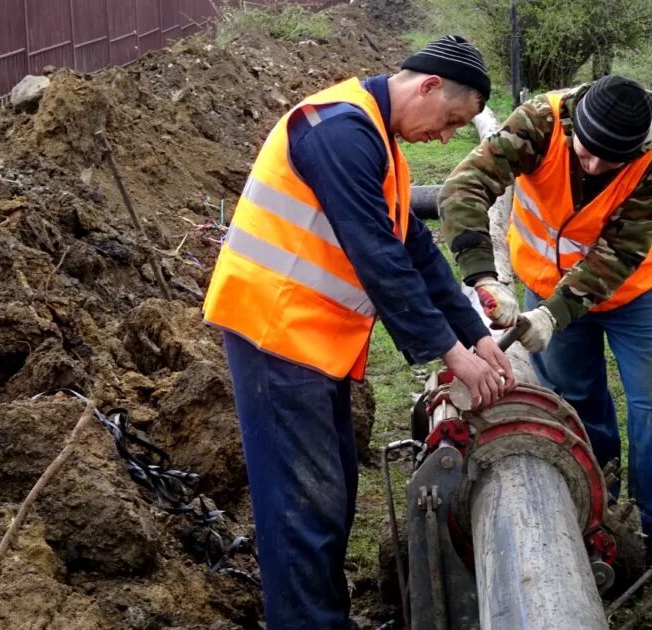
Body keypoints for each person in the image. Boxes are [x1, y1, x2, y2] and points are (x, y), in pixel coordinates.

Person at [202, 36, 514, 628]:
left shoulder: (377, 139)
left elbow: (415, 249)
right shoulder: (339, 133)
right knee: (304, 509)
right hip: (275, 336)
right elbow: (378, 259)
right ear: (425, 86)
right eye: (449, 121)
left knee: (332, 492)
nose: (446, 137)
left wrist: (477, 336)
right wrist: (452, 354)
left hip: (310, 343)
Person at [439, 74, 652, 579]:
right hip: (543, 281)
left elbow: (622, 249)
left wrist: (554, 315)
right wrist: (482, 276)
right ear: (573, 126)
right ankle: (596, 513)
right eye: (585, 152)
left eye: (607, 162)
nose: (591, 166)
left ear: (637, 148)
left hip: (632, 291)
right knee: (576, 399)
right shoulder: (540, 123)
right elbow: (464, 186)